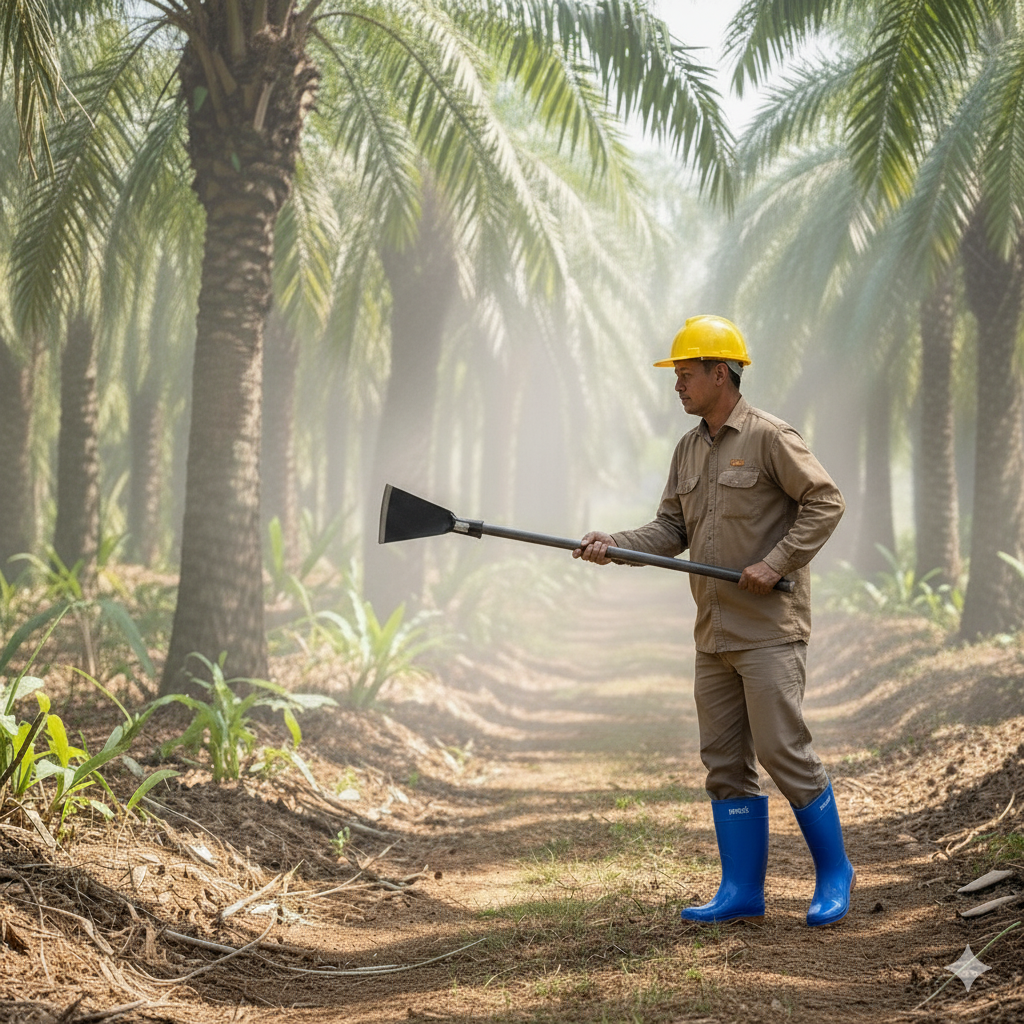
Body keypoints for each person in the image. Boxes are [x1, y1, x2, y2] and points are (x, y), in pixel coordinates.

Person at [573, 315, 854, 927]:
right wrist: (615, 543)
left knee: (783, 751)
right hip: (714, 632)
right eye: (676, 375)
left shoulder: (770, 437)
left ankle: (835, 873)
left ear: (720, 374)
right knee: (724, 762)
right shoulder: (688, 448)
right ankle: (741, 892)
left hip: (769, 631)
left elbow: (825, 501)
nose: (677, 385)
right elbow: (671, 529)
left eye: (685, 374)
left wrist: (775, 560)